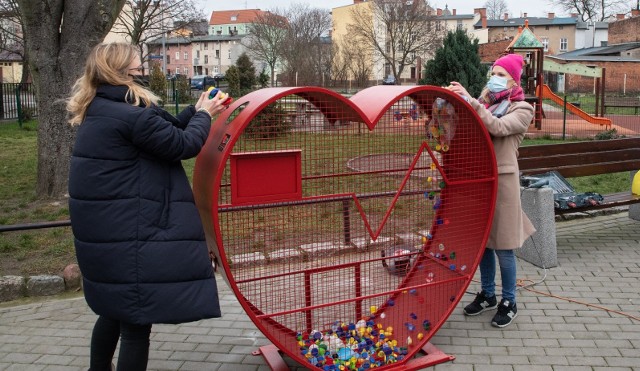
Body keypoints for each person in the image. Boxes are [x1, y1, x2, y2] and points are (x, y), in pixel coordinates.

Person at [66, 42, 228, 370]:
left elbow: (161, 134)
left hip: (106, 233)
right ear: (122, 72)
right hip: (130, 235)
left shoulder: (101, 107)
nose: (145, 71)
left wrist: (194, 111)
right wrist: (204, 117)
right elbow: (182, 145)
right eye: (139, 67)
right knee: (137, 323)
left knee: (113, 309)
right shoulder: (130, 115)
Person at [448, 53, 535, 328]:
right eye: (493, 73)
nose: (494, 79)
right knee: (484, 244)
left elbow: (497, 128)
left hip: (504, 182)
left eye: (501, 75)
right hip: (480, 180)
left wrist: (471, 102)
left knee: (504, 246)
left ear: (513, 80)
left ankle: (509, 300)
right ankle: (487, 293)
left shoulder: (522, 109)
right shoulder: (485, 103)